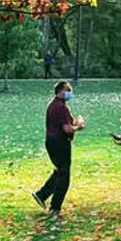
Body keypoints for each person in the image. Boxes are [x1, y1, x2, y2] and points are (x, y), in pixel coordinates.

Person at [32, 80, 85, 215]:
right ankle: (55, 207)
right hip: (60, 143)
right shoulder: (61, 107)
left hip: (52, 142)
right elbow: (67, 129)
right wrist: (78, 127)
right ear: (61, 91)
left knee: (60, 171)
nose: (70, 93)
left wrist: (76, 122)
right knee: (64, 175)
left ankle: (42, 195)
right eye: (68, 90)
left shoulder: (54, 105)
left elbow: (67, 123)